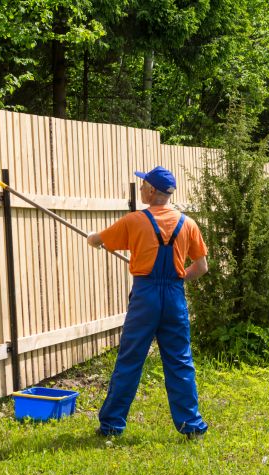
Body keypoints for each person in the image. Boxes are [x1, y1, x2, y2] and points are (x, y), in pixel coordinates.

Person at [87, 165, 209, 438]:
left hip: (145, 297)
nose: (141, 187)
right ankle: (191, 427)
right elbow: (201, 267)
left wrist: (92, 239)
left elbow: (98, 240)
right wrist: (178, 280)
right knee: (180, 361)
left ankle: (111, 426)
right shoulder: (188, 224)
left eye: (143, 185)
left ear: (152, 190)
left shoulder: (135, 221)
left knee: (130, 360)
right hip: (174, 298)